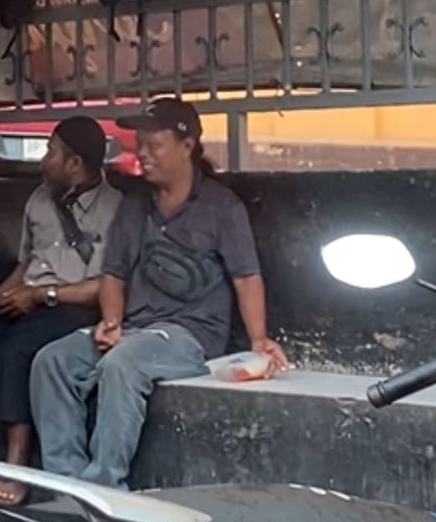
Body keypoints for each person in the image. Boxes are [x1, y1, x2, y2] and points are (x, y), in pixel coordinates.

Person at [30, 97, 289, 490]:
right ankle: (65, 485)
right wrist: (111, 321)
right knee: (51, 361)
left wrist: (258, 340)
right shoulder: (134, 206)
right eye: (140, 144)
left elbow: (246, 277)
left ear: (187, 146)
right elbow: (114, 274)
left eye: (154, 144)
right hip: (136, 329)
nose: (143, 153)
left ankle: (103, 488)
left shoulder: (222, 208)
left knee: (123, 364)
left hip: (190, 335)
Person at [0, 117, 122, 505]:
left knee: (16, 350)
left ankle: (17, 468)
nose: (44, 160)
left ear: (75, 163)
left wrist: (41, 295)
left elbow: (103, 286)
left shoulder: (114, 209)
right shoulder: (39, 199)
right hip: (30, 299)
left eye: (51, 152)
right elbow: (25, 266)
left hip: (74, 307)